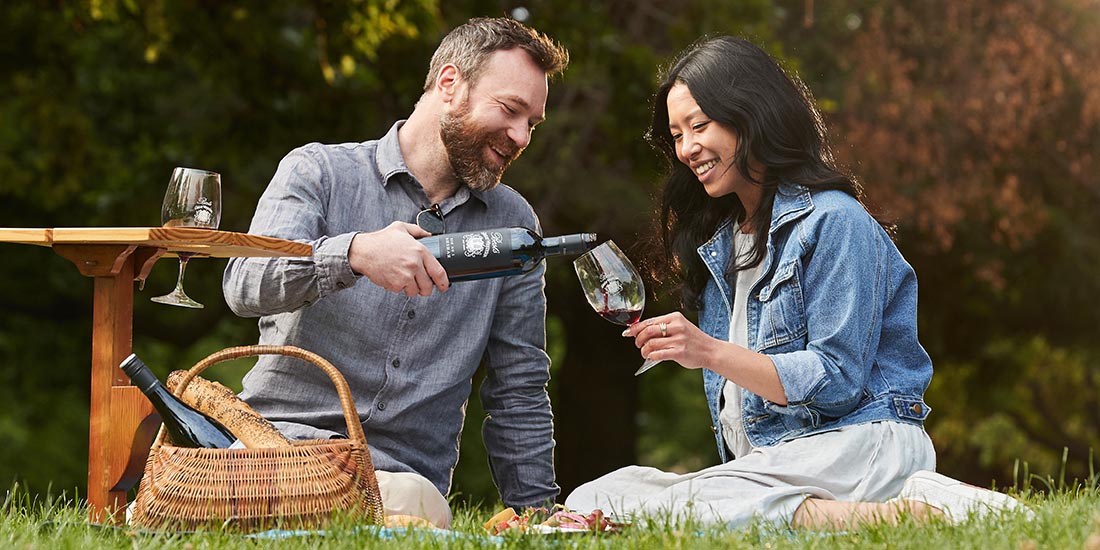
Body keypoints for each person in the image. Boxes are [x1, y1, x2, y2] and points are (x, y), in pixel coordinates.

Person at [564, 36, 1030, 529]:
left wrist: (706, 351)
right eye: (677, 134)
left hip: (859, 442)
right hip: (782, 463)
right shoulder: (721, 244)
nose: (687, 148)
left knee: (670, 506)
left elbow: (838, 379)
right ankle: (874, 515)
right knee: (598, 494)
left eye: (699, 125)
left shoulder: (835, 220)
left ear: (750, 114)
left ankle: (895, 515)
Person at [222, 17, 569, 528]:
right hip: (276, 455)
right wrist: (354, 254)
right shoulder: (318, 172)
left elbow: (517, 384)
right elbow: (244, 283)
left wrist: (538, 513)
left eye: (531, 125)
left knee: (408, 498)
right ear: (450, 84)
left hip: (404, 486)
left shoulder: (514, 225)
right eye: (510, 110)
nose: (520, 136)